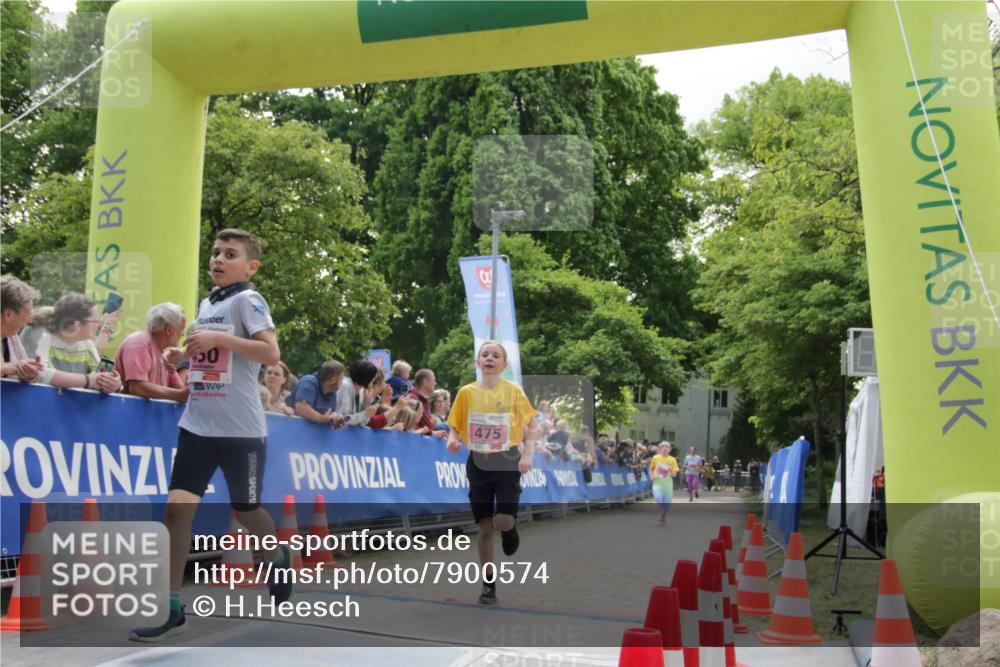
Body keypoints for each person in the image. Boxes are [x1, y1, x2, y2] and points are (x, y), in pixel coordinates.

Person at [129, 228, 292, 642]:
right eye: (215, 252)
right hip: (198, 423)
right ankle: (170, 606)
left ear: (250, 266)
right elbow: (211, 353)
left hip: (240, 431)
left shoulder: (248, 300)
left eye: (230, 254)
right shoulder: (208, 302)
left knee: (247, 508)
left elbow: (270, 352)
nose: (218, 259)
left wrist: (218, 337)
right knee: (176, 512)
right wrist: (184, 354)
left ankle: (275, 555)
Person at [446, 341, 537, 606]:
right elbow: (455, 425)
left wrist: (528, 454)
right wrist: (452, 440)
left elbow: (532, 425)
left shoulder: (513, 391)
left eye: (495, 355)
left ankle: (510, 531)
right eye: (484, 354)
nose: (489, 358)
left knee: (504, 520)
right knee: (484, 526)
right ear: (477, 361)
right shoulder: (466, 392)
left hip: (507, 459)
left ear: (503, 365)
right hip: (478, 461)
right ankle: (488, 584)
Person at [33, 292, 122, 393]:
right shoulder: (43, 336)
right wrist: (88, 380)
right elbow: (42, 374)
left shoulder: (87, 344)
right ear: (77, 325)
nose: (99, 325)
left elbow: (99, 378)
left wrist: (114, 384)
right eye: (96, 321)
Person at [115, 302, 188, 402]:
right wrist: (179, 395)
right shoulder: (139, 343)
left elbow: (181, 391)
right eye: (182, 328)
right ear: (169, 330)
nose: (183, 334)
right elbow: (137, 388)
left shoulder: (162, 353)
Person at [1, 276, 43, 383]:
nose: (29, 321)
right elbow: (10, 367)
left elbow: (20, 371)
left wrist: (28, 373)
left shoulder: (12, 336)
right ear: (8, 314)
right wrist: (6, 368)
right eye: (28, 314)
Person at [291, 360, 345, 427]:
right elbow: (301, 409)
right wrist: (322, 419)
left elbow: (329, 414)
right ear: (332, 381)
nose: (342, 383)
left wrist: (335, 419)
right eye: (341, 379)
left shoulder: (332, 392)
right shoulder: (308, 382)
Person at [337, 359, 380, 426]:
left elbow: (363, 422)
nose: (373, 380)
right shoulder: (345, 386)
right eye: (373, 377)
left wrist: (367, 402)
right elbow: (342, 419)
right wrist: (365, 414)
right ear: (367, 378)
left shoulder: (361, 391)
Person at [408, 368, 447, 439]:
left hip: (424, 437)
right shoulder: (412, 398)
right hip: (418, 440)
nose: (435, 383)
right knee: (446, 427)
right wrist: (431, 433)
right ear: (425, 382)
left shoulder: (422, 399)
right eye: (434, 380)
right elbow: (408, 426)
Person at [649, 442, 679, 525]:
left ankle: (664, 515)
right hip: (657, 481)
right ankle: (663, 511)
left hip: (668, 483)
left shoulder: (672, 460)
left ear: (670, 449)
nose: (664, 448)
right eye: (662, 447)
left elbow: (674, 474)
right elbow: (651, 468)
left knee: (667, 502)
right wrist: (651, 475)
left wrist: (669, 471)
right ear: (659, 449)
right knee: (658, 498)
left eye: (667, 447)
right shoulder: (655, 458)